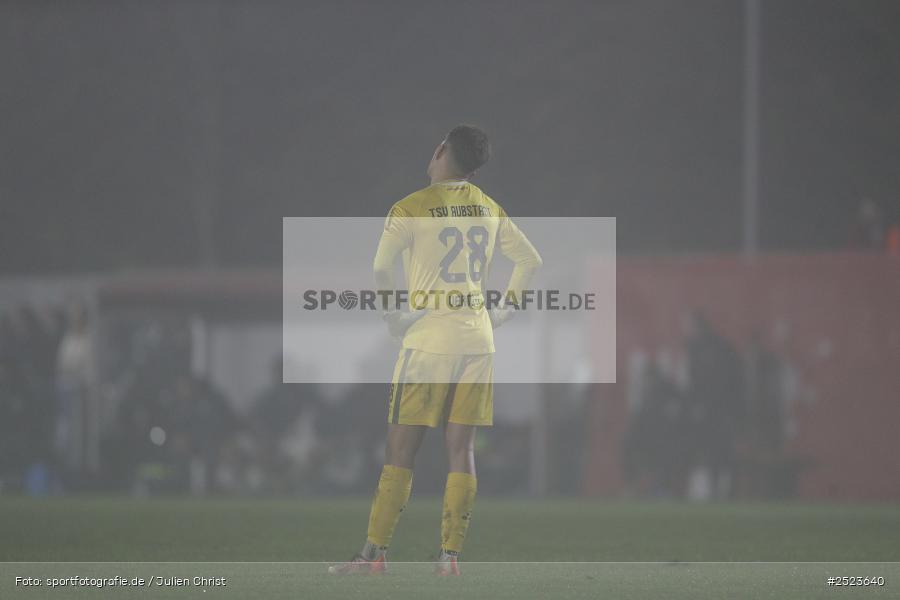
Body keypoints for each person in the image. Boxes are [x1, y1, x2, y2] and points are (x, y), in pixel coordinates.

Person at [329, 125, 542, 575]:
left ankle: (373, 556)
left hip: (429, 340)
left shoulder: (411, 207)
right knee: (461, 450)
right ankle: (449, 558)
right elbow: (530, 261)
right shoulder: (488, 207)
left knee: (401, 450)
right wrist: (502, 312)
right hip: (478, 341)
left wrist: (392, 319)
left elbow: (381, 266)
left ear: (441, 150)